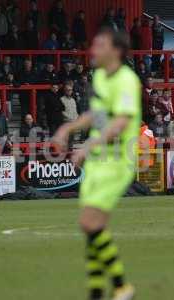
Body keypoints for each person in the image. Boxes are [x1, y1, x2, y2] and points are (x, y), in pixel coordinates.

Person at [53, 28, 140, 300]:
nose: (93, 49)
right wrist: (67, 128)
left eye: (99, 45)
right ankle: (97, 290)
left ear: (116, 50)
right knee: (89, 226)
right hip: (97, 160)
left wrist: (88, 145)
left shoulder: (127, 80)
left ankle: (121, 286)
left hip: (116, 160)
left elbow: (121, 121)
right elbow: (98, 114)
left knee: (89, 222)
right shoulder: (100, 76)